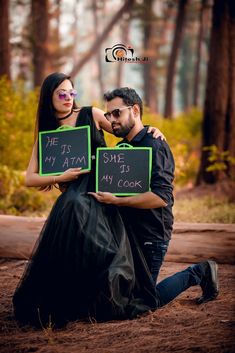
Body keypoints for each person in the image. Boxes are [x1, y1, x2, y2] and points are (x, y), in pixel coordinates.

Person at [12, 73, 165, 328]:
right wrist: (61, 176)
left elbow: (124, 131)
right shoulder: (47, 132)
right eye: (62, 93)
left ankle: (102, 302)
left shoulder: (91, 114)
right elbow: (29, 177)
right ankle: (73, 304)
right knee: (73, 216)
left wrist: (149, 129)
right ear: (49, 96)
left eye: (72, 93)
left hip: (101, 191)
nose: (68, 98)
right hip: (73, 199)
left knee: (106, 252)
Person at [89, 87, 219, 307]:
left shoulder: (156, 145)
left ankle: (199, 271)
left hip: (151, 236)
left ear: (136, 110)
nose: (111, 120)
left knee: (144, 302)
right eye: (108, 114)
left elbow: (161, 197)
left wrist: (117, 201)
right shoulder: (122, 148)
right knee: (119, 296)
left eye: (116, 113)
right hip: (126, 234)